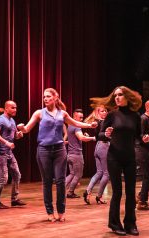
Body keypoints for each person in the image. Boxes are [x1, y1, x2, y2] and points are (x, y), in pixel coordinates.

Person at [19, 88, 96, 222]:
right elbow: (27, 128)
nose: (45, 99)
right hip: (44, 150)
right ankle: (50, 211)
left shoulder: (63, 113)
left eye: (48, 96)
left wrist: (89, 125)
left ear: (55, 97)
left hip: (60, 149)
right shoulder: (39, 113)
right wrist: (21, 129)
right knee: (47, 182)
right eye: (44, 97)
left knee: (60, 182)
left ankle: (61, 211)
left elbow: (75, 123)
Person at [90, 86, 147, 236]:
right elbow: (99, 135)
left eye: (120, 95)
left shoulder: (135, 116)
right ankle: (114, 223)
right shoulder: (112, 115)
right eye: (115, 95)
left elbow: (139, 137)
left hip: (129, 157)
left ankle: (130, 224)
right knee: (117, 192)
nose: (117, 97)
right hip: (114, 157)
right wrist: (106, 134)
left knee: (130, 191)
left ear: (127, 97)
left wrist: (145, 139)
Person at [0, 101, 27, 209]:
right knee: (3, 178)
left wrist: (19, 135)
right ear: (6, 109)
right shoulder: (1, 120)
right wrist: (6, 143)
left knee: (17, 175)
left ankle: (14, 199)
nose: (15, 110)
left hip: (8, 152)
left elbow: (14, 136)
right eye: (12, 108)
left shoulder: (12, 120)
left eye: (16, 108)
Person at [65, 109, 96, 198]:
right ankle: (70, 192)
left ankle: (61, 190)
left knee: (72, 174)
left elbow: (77, 138)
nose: (81, 119)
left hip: (70, 154)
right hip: (76, 155)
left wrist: (85, 136)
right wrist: (93, 138)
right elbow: (81, 138)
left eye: (82, 117)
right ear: (74, 117)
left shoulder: (70, 126)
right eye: (80, 117)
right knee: (78, 175)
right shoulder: (76, 127)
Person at [84, 105, 110, 205]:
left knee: (99, 172)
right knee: (107, 174)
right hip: (104, 147)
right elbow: (103, 136)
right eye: (102, 111)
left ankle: (88, 191)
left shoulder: (98, 122)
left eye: (105, 111)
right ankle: (99, 196)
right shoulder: (104, 122)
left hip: (98, 147)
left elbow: (97, 136)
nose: (104, 112)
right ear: (98, 113)